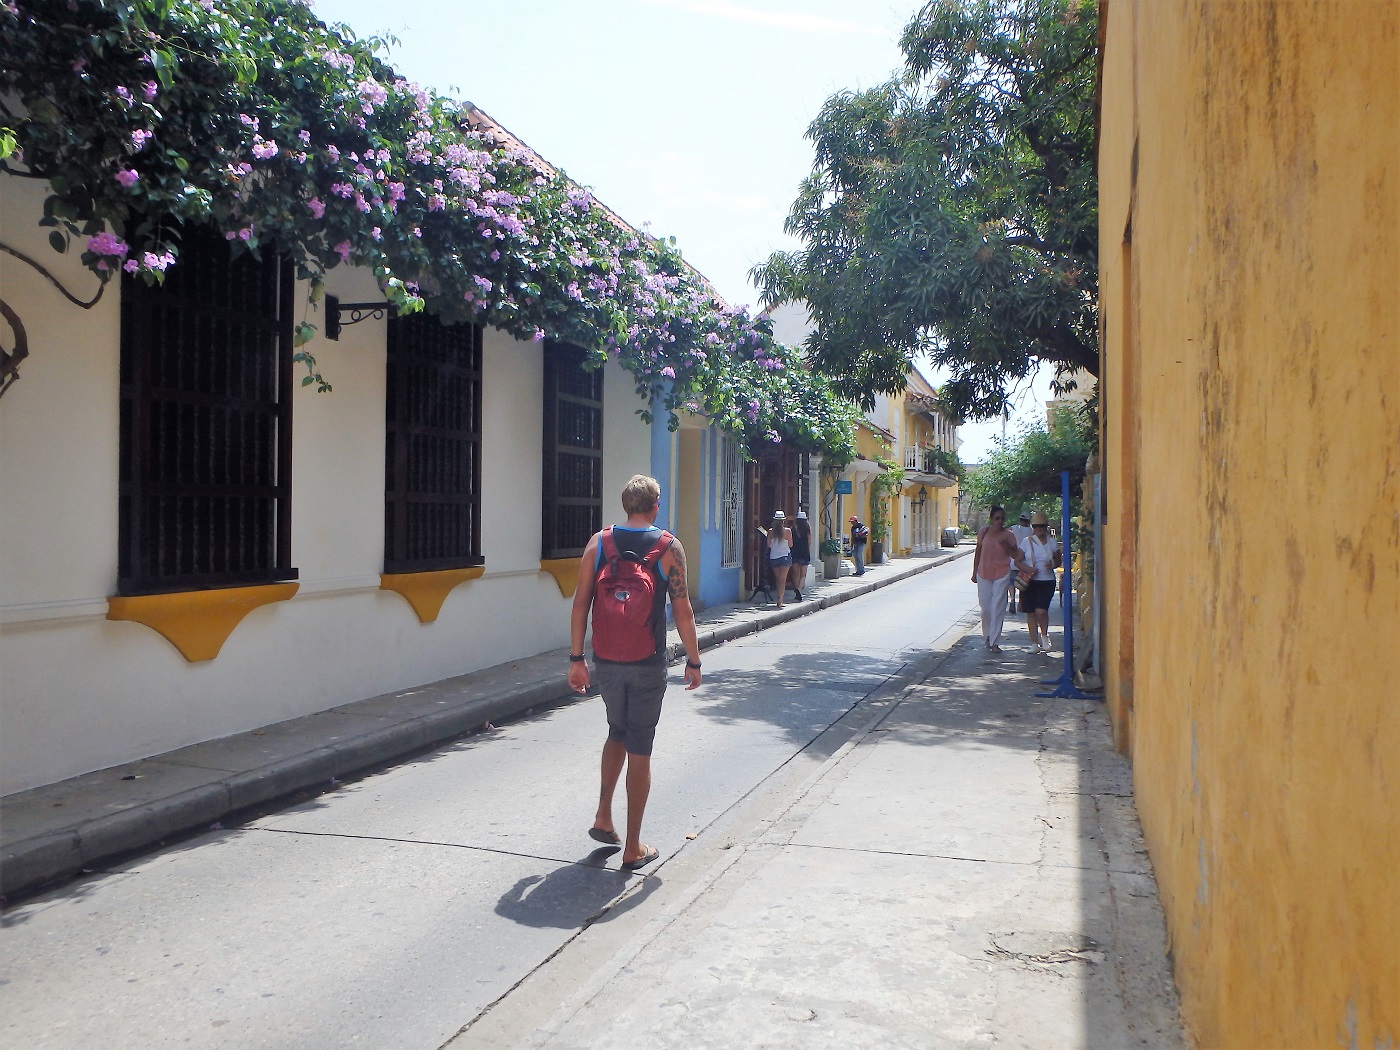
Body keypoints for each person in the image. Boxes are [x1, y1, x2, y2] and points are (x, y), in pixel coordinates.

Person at [568, 474, 702, 871]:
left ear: (626, 505)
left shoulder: (599, 544)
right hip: (646, 662)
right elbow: (682, 610)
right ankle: (632, 846)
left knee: (616, 731)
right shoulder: (667, 548)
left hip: (606, 660)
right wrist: (693, 661)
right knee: (640, 747)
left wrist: (577, 658)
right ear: (655, 506)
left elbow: (580, 605)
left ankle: (603, 815)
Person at [971, 505, 1029, 653]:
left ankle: (994, 641)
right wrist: (974, 572)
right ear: (991, 519)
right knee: (986, 609)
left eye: (1002, 518)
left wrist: (1006, 546)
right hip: (984, 573)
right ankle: (988, 636)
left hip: (1002, 573)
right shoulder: (984, 532)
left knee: (998, 607)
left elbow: (1016, 556)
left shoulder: (1008, 535)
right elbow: (978, 552)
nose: (1000, 521)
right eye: (997, 518)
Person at [1017, 511, 1062, 655]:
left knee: (1041, 611)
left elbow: (1058, 560)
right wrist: (1029, 569)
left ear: (1046, 527)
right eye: (1036, 526)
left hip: (1047, 580)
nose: (1039, 529)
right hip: (1030, 581)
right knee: (1031, 612)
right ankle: (1034, 643)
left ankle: (1044, 636)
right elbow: (1017, 561)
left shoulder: (1052, 542)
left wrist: (1053, 564)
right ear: (1032, 527)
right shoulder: (1026, 541)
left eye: (1041, 526)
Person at [766, 510, 794, 608]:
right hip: (785, 556)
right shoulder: (787, 531)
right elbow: (790, 544)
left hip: (774, 557)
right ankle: (780, 599)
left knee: (778, 579)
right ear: (783, 521)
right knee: (783, 579)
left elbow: (768, 545)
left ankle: (779, 597)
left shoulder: (770, 531)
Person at [1008, 513, 1033, 613]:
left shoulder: (1013, 529)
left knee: (1011, 582)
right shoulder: (1031, 531)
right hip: (1025, 561)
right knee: (1023, 581)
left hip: (1013, 560)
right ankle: (1021, 602)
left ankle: (1012, 599)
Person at [789, 511, 811, 600]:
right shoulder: (807, 529)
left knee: (795, 573)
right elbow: (809, 541)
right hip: (804, 552)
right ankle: (799, 589)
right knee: (803, 574)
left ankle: (795, 588)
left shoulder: (793, 529)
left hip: (795, 551)